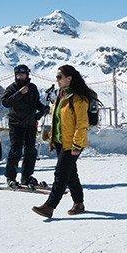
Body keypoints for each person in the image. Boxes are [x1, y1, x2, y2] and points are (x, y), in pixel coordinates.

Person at [32, 65, 99, 218]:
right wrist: (52, 136)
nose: (57, 80)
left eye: (59, 77)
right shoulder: (61, 95)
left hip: (73, 142)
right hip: (60, 141)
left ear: (69, 78)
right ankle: (79, 203)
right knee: (70, 173)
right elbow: (58, 118)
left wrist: (77, 144)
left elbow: (82, 123)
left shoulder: (79, 98)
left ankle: (49, 206)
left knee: (61, 173)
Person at [1, 64, 49, 189]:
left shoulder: (32, 88)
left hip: (30, 124)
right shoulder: (12, 88)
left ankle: (26, 177)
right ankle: (10, 178)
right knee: (16, 151)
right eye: (18, 74)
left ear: (27, 74)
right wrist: (19, 93)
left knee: (30, 151)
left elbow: (36, 103)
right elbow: (5, 102)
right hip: (16, 124)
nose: (20, 76)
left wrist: (43, 108)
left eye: (22, 74)